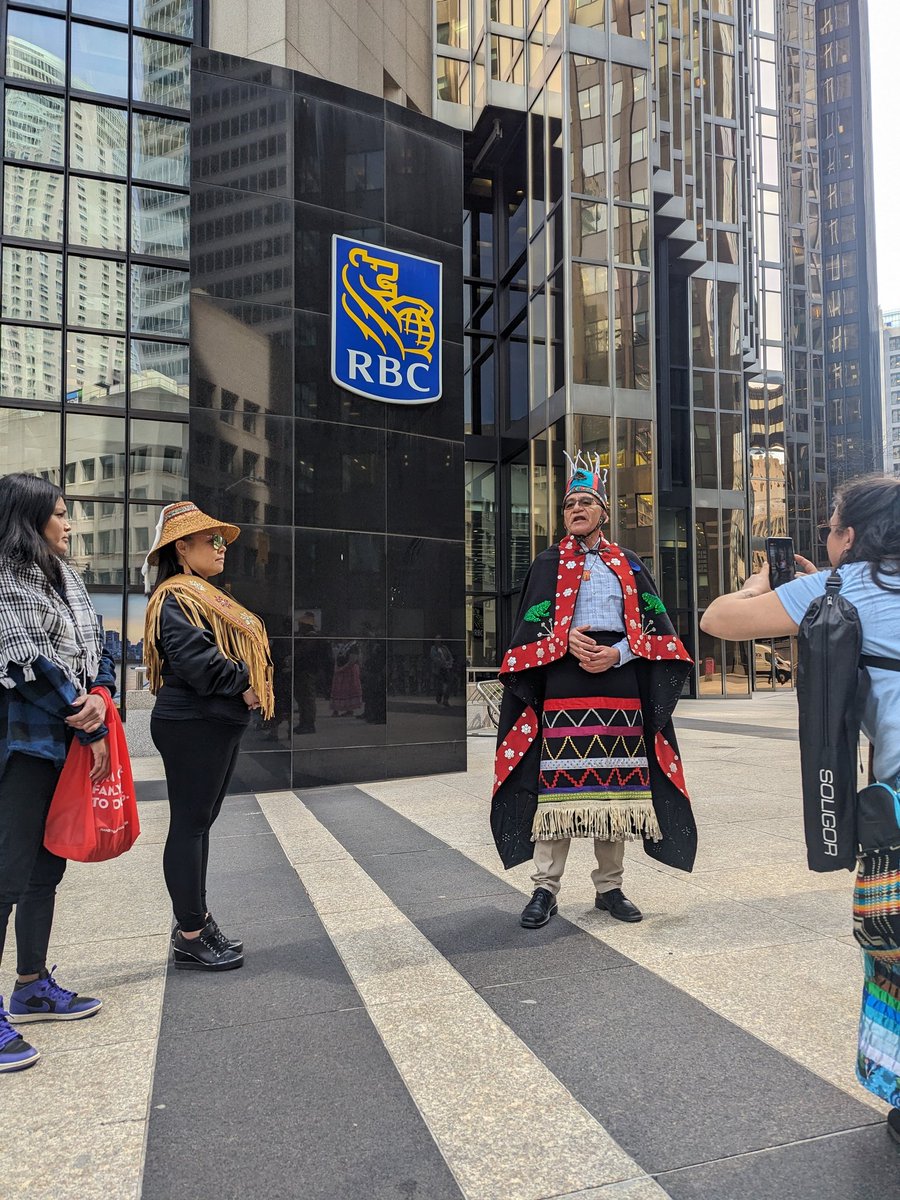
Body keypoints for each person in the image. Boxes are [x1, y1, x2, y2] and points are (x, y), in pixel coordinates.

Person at [700, 473, 900, 1146]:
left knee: (895, 955)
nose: (826, 538)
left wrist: (768, 584)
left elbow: (718, 621)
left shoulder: (836, 588)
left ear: (850, 535)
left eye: (832, 527)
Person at [491, 452, 696, 929]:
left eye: (586, 502)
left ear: (604, 511)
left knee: (618, 786)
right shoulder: (546, 564)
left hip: (620, 681)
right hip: (564, 680)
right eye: (569, 505)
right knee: (557, 783)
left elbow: (656, 626)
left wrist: (621, 652)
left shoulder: (629, 562)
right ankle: (546, 889)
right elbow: (527, 631)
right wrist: (561, 642)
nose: (576, 509)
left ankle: (610, 887)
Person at [0, 474, 114, 1073]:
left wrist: (100, 691)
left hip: (62, 742)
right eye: (61, 514)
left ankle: (31, 985)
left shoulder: (64, 579)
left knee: (46, 866)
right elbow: (24, 663)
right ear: (29, 518)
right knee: (5, 874)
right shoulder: (4, 579)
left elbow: (102, 643)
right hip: (20, 743)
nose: (69, 524)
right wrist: (87, 719)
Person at [143, 502, 274, 972]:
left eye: (222, 541)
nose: (222, 549)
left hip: (210, 723)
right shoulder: (176, 596)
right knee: (190, 825)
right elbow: (195, 662)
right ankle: (192, 933)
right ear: (182, 547)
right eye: (211, 541)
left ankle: (196, 924)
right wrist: (246, 682)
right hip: (192, 722)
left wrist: (245, 685)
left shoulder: (197, 594)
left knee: (199, 823)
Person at [430, 636, 453, 706]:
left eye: (440, 640)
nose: (439, 641)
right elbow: (434, 658)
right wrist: (443, 663)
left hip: (446, 668)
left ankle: (446, 699)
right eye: (437, 640)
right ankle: (439, 699)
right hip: (438, 669)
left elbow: (450, 656)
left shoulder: (444, 648)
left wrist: (449, 662)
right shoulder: (433, 648)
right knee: (439, 685)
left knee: (449, 683)